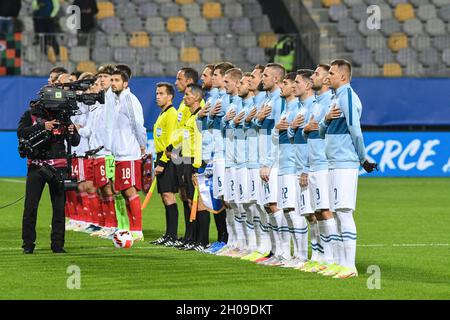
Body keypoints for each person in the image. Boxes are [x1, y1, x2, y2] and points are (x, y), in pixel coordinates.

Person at [318, 59, 376, 279]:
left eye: (331, 73)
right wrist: (325, 119)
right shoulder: (336, 98)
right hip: (333, 162)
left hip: (345, 163)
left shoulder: (348, 97)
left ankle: (349, 266)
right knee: (336, 213)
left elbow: (355, 130)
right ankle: (340, 263)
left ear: (343, 76)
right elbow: (323, 133)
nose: (327, 76)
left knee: (343, 212)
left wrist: (363, 158)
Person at [18, 87, 81, 254]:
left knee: (59, 207)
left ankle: (58, 245)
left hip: (59, 167)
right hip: (36, 166)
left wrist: (72, 131)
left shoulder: (64, 116)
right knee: (30, 207)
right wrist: (42, 126)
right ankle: (28, 245)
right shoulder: (31, 115)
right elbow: (21, 133)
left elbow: (75, 142)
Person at [165, 84, 208, 251]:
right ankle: (194, 239)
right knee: (191, 200)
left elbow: (199, 144)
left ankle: (202, 241)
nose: (184, 97)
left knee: (199, 202)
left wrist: (197, 167)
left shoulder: (199, 117)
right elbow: (185, 138)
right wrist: (171, 147)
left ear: (197, 97)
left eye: (188, 94)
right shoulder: (191, 117)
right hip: (187, 161)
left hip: (194, 162)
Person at [272, 71, 308, 268]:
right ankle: (287, 254)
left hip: (293, 166)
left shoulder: (297, 109)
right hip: (283, 164)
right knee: (287, 210)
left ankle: (301, 256)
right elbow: (277, 139)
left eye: (285, 83)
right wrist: (278, 130)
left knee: (295, 212)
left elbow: (299, 140)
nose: (283, 86)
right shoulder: (286, 110)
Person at [111, 69, 147, 241]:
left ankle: (138, 230)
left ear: (125, 83)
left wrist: (142, 145)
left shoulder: (129, 100)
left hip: (129, 154)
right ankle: (131, 228)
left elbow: (138, 125)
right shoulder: (118, 101)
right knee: (124, 192)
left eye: (117, 80)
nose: (113, 83)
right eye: (112, 80)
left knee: (130, 190)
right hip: (120, 154)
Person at [152, 82, 180, 246]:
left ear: (170, 96)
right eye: (156, 93)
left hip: (167, 159)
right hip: (161, 156)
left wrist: (162, 162)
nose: (158, 96)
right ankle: (169, 234)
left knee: (169, 195)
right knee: (165, 196)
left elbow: (171, 141)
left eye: (161, 93)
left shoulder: (171, 114)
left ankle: (173, 235)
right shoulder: (163, 113)